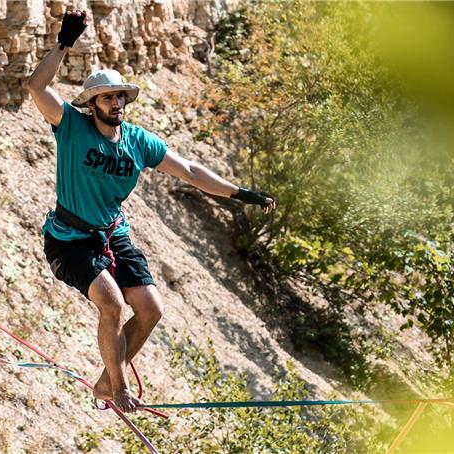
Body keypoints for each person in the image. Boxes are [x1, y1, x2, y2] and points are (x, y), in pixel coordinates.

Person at [23, 10, 275, 413]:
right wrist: (64, 42)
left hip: (110, 234)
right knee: (113, 305)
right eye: (108, 97)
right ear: (92, 104)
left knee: (151, 309)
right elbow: (36, 86)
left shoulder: (139, 141)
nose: (116, 102)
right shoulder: (71, 126)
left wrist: (240, 193)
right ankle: (119, 390)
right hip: (69, 239)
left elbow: (191, 171)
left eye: (121, 95)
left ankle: (107, 380)